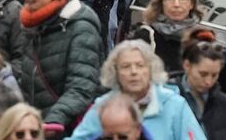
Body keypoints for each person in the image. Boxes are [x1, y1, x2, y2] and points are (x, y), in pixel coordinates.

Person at [11, 0, 101, 131]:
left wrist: (54, 120)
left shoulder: (81, 26)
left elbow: (82, 86)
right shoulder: (32, 25)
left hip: (68, 129)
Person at [69, 41, 205, 140]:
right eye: (125, 66)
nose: (133, 72)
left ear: (151, 69)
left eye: (140, 65)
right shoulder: (104, 105)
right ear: (115, 72)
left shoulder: (174, 105)